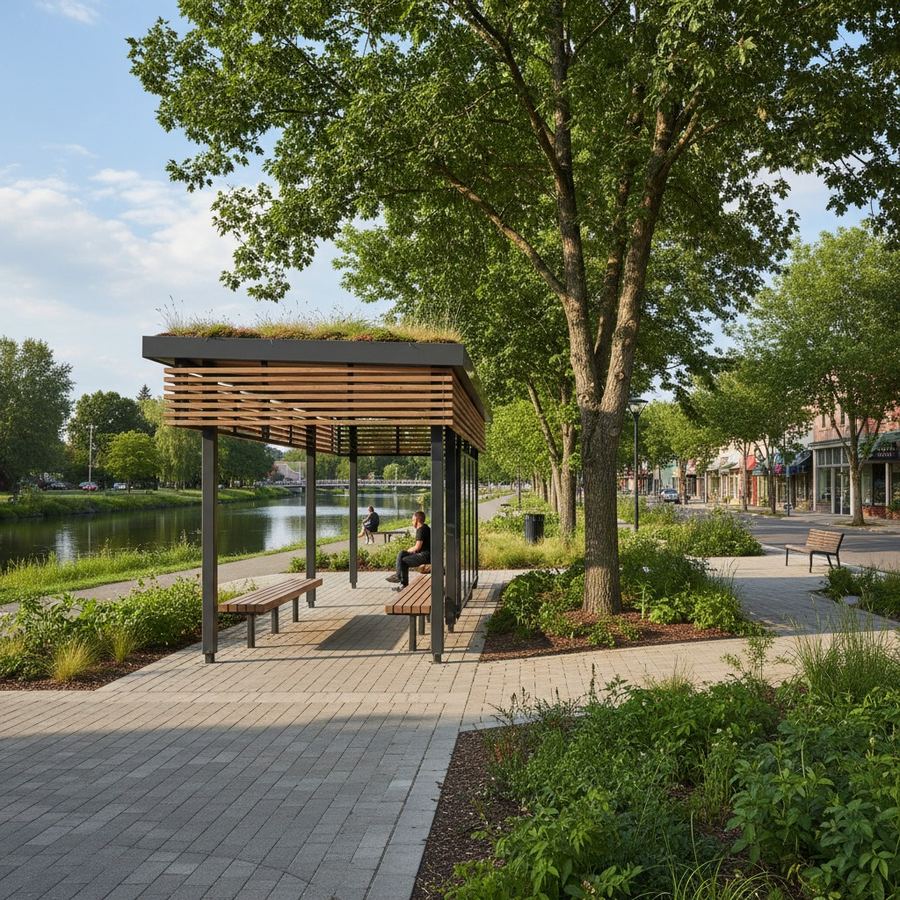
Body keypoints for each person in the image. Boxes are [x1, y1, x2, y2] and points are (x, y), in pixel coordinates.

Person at [386, 510, 430, 590]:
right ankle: (398, 577)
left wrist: (409, 550)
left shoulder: (421, 530)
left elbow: (417, 547)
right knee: (402, 553)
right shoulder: (425, 527)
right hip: (426, 554)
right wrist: (407, 551)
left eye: (412, 520)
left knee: (403, 561)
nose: (412, 522)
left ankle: (402, 583)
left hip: (425, 556)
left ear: (417, 520)